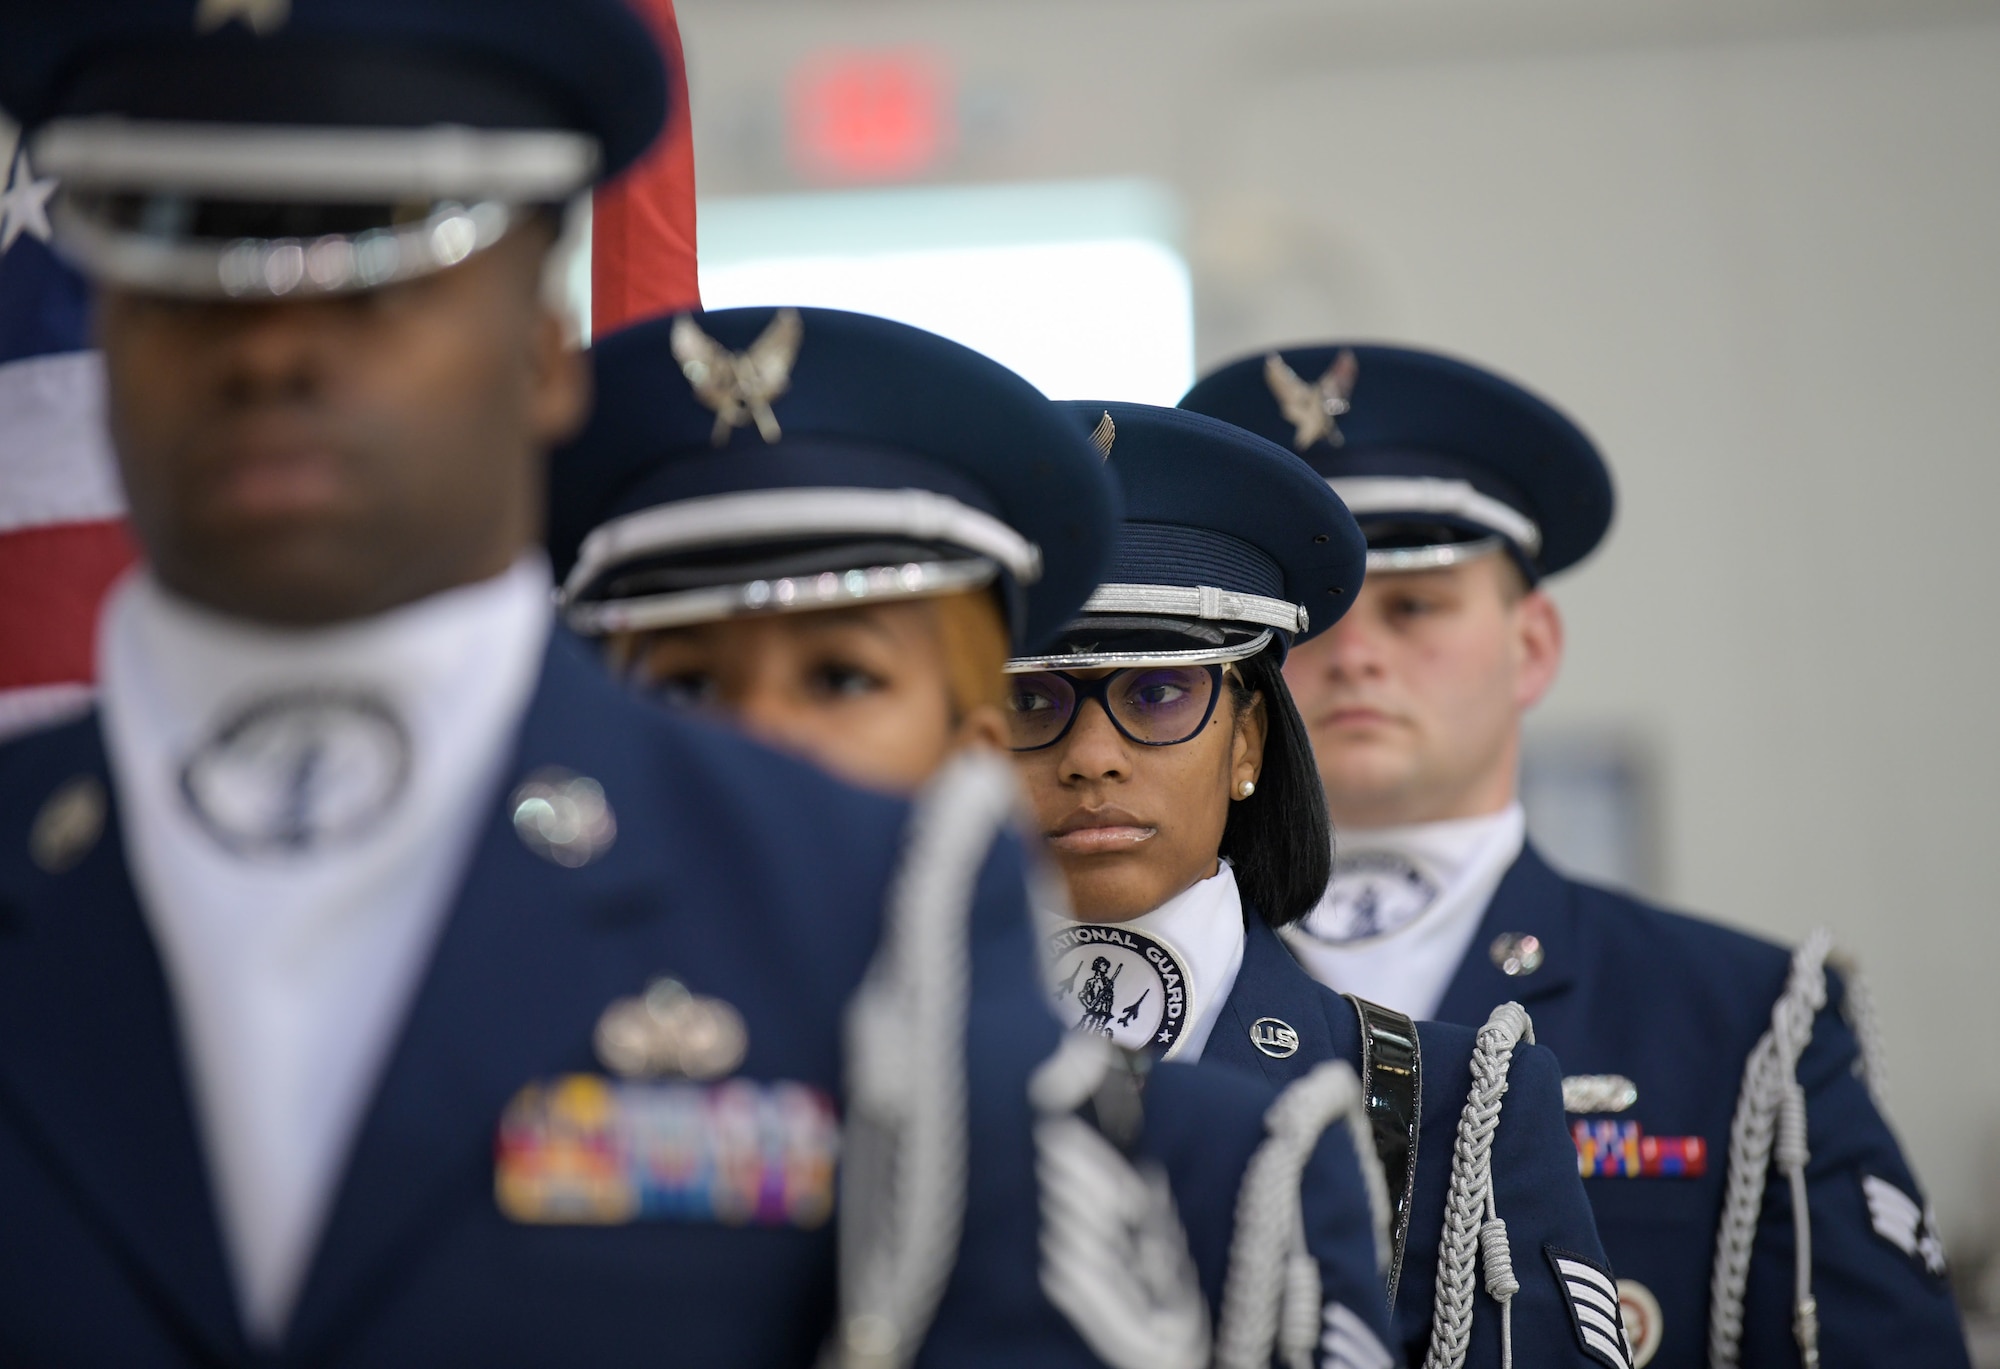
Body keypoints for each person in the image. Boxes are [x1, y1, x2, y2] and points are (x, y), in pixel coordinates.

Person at [0, 5, 1302, 1365]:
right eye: (185, 253)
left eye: (378, 259)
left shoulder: (862, 904)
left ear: (542, 348)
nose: (270, 341)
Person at [547, 306, 1401, 1369]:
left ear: (969, 744)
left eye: (841, 676)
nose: (759, 738)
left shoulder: (1226, 1164)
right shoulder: (487, 1088)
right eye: (683, 684)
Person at [1181, 343, 1970, 1369]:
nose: (1357, 653)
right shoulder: (1139, 991)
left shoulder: (1735, 1021)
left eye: (1414, 605)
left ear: (1534, 645)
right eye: (1318, 616)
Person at [1005, 400, 1622, 1369]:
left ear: (1246, 741)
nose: (1091, 757)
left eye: (1157, 692)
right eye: (1027, 699)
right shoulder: (857, 1066)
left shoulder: (1452, 1107)